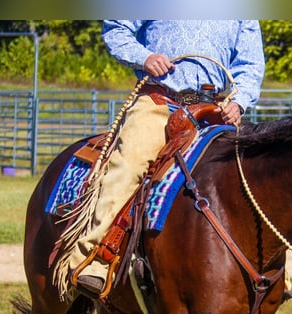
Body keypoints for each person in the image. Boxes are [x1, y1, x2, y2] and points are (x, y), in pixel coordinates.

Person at [67, 20, 265, 299]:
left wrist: (239, 102)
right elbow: (116, 29)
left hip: (217, 110)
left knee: (254, 174)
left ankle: (269, 272)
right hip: (160, 103)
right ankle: (96, 258)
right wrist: (144, 57)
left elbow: (250, 64)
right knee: (129, 163)